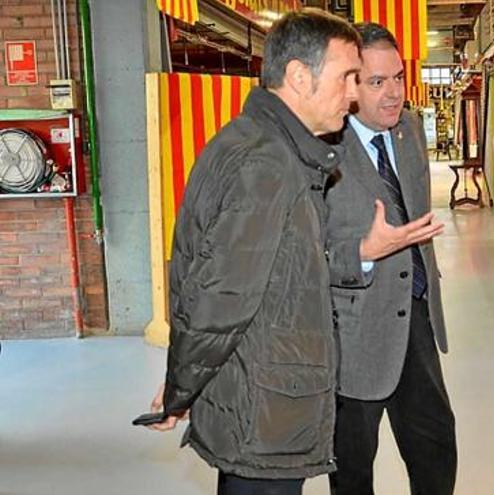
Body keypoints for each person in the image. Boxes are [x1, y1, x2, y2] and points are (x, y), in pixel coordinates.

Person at [142, 11, 366, 495]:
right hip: (266, 410)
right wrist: (181, 387)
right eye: (347, 76)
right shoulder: (268, 163)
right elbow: (220, 298)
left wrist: (185, 379)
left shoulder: (257, 142)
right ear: (299, 76)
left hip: (260, 396)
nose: (355, 93)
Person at [324, 23, 456, 495]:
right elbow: (300, 255)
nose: (393, 93)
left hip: (415, 315)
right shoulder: (322, 147)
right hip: (353, 332)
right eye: (377, 82)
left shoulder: (410, 128)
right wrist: (362, 253)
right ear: (350, 84)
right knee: (354, 467)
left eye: (398, 77)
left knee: (436, 448)